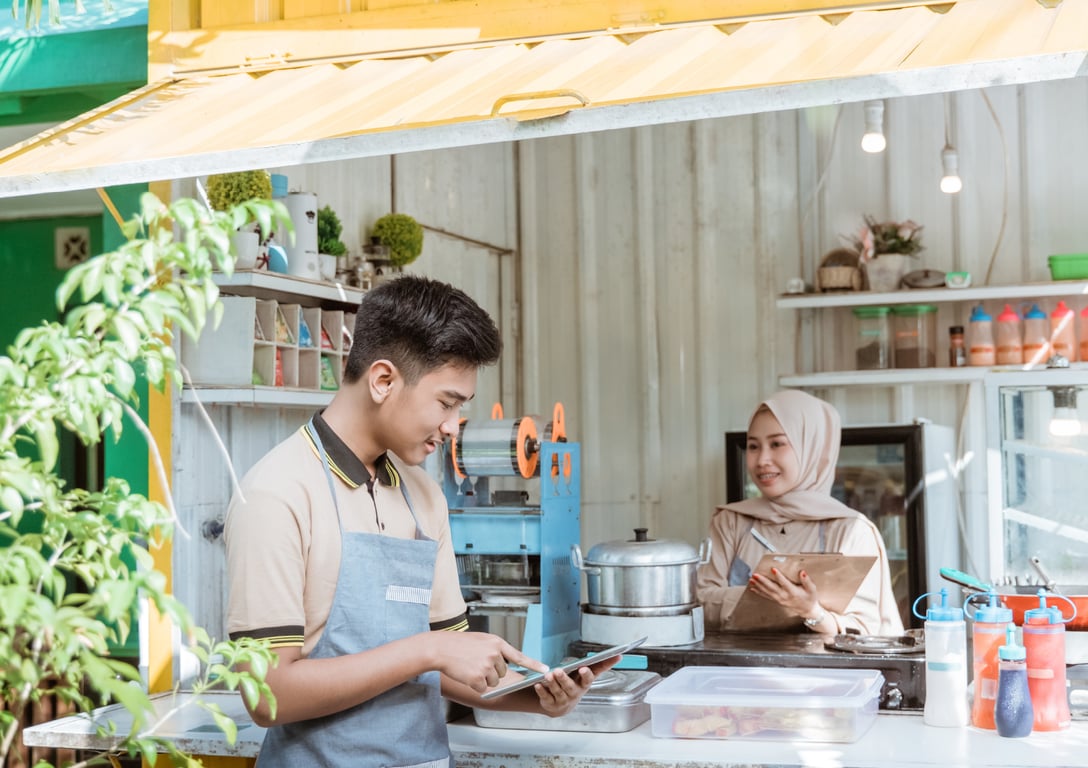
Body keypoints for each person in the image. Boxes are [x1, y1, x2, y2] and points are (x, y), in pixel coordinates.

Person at [224, 275, 614, 766]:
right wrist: (424, 651)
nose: (452, 426)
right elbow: (266, 696)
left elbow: (451, 662)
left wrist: (538, 697)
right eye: (446, 403)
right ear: (383, 380)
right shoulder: (275, 493)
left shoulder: (424, 497)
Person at [696, 390, 903, 636]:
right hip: (733, 671)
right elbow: (700, 604)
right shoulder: (730, 521)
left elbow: (863, 630)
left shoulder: (851, 530)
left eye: (777, 444)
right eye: (753, 446)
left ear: (812, 447)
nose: (762, 459)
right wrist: (778, 599)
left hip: (827, 673)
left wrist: (812, 612)